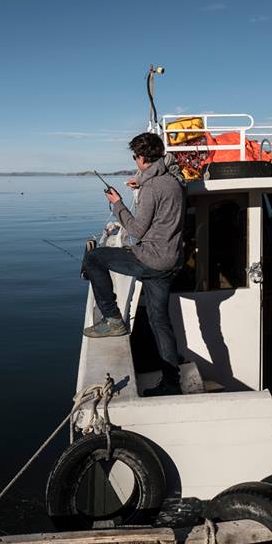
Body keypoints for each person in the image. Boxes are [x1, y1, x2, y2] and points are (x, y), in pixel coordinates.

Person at [82, 132, 186, 397]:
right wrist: (139, 181)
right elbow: (164, 169)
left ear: (140, 158)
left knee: (94, 258)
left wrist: (117, 205)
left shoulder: (152, 188)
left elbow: (137, 231)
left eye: (135, 157)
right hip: (170, 261)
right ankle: (172, 383)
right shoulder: (174, 180)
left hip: (150, 259)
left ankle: (113, 318)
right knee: (160, 322)